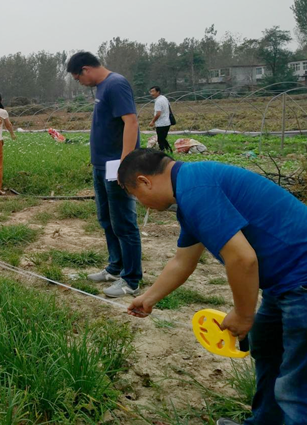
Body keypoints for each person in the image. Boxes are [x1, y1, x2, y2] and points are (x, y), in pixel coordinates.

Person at [118, 148, 307, 425]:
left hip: (300, 282)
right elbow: (183, 261)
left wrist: (243, 315)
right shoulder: (191, 189)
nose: (142, 203)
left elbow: (243, 259)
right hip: (283, 284)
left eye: (136, 195)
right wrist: (148, 298)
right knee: (268, 352)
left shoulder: (197, 190)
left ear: (145, 181)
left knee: (295, 386)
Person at [66, 51, 142, 297]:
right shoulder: (101, 88)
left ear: (86, 69)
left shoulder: (116, 84)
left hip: (115, 168)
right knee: (107, 219)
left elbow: (131, 122)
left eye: (78, 78)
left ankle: (131, 280)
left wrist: (125, 164)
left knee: (124, 222)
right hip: (101, 166)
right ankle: (114, 267)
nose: (80, 83)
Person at [148, 86, 172, 152]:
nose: (151, 93)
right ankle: (169, 150)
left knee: (160, 140)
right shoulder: (164, 98)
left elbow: (158, 113)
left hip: (161, 123)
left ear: (158, 92)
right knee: (163, 138)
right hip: (167, 122)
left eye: (153, 91)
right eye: (150, 92)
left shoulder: (158, 101)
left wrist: (152, 121)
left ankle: (162, 152)